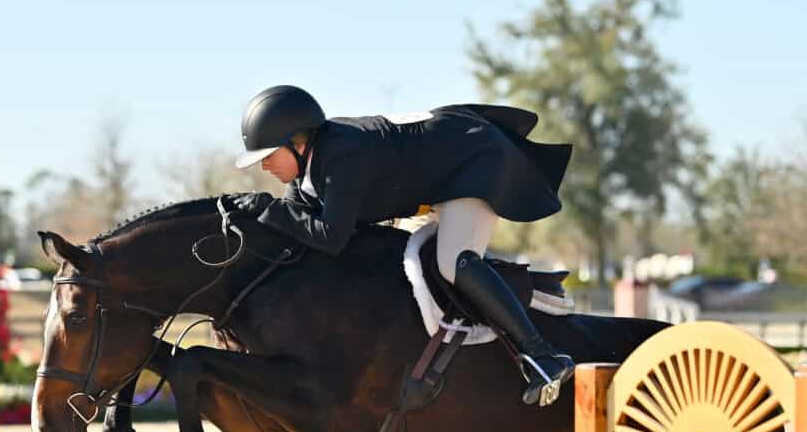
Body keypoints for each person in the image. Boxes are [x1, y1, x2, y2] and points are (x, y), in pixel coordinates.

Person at [230, 84, 575, 407]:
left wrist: (266, 209)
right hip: (435, 177)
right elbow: (294, 222)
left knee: (453, 262)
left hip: (474, 163)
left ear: (298, 143)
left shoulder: (341, 156)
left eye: (269, 154)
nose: (264, 164)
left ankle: (543, 356)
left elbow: (331, 238)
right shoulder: (310, 171)